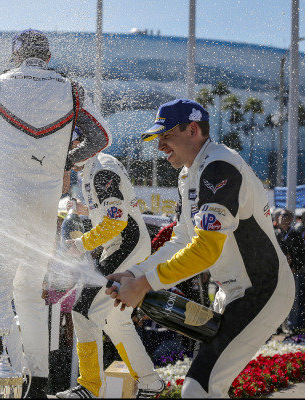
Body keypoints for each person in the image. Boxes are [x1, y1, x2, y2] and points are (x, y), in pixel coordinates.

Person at [106, 99, 295, 398]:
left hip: (262, 290)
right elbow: (181, 240)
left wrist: (143, 284)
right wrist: (133, 272)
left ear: (193, 129)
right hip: (233, 292)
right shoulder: (189, 173)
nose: (160, 147)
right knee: (205, 388)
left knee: (197, 389)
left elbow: (206, 251)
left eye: (165, 136)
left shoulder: (220, 166)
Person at [0, 29, 111, 396]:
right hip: (46, 207)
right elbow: (101, 138)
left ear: (15, 55)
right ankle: (39, 379)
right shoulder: (72, 88)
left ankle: (14, 374)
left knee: (0, 294)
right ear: (47, 56)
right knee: (30, 292)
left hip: (8, 203)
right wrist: (66, 159)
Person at [55, 147, 163, 398]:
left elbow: (117, 222)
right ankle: (150, 383)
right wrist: (87, 211)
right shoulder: (96, 166)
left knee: (82, 310)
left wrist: (80, 244)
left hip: (127, 244)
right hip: (124, 244)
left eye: (66, 150)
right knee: (116, 321)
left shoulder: (101, 170)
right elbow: (114, 214)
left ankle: (90, 387)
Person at [275, 209, 305, 332]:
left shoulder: (295, 235)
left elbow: (301, 254)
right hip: (278, 273)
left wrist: (294, 266)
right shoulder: (275, 234)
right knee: (277, 300)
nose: (282, 218)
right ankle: (276, 327)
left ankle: (293, 327)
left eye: (285, 216)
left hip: (293, 272)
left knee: (294, 299)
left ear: (291, 219)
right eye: (281, 216)